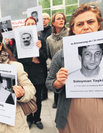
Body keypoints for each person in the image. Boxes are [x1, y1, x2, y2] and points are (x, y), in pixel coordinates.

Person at [46, 3, 103, 133]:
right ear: (73, 29)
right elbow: (49, 82)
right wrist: (58, 83)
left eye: (90, 22)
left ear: (98, 24)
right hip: (70, 119)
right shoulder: (62, 54)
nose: (86, 27)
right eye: (80, 24)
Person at [18, 17, 47, 130]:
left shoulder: (41, 40)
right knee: (27, 98)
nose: (30, 25)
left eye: (32, 24)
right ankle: (29, 118)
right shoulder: (19, 40)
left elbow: (45, 58)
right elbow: (17, 58)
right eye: (28, 23)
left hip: (38, 75)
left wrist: (39, 49)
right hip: (26, 75)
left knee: (38, 99)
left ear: (35, 26)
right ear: (25, 25)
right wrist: (31, 60)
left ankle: (37, 118)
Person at [46, 12, 68, 108]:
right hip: (55, 66)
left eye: (63, 18)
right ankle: (56, 102)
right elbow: (48, 54)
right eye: (58, 18)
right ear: (53, 23)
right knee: (56, 84)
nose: (61, 20)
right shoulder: (49, 39)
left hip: (68, 66)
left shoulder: (70, 34)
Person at [39, 13, 52, 101]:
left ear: (48, 20)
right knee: (43, 75)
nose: (44, 20)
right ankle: (43, 94)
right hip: (42, 53)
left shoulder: (51, 30)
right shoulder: (38, 31)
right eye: (42, 19)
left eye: (46, 19)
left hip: (50, 54)